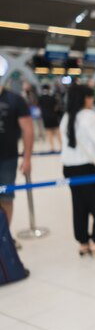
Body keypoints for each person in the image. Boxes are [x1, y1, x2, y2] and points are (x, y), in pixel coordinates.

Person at [60, 85, 95, 257]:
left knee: (79, 205)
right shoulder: (89, 116)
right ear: (84, 98)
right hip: (88, 168)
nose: (92, 100)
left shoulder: (66, 117)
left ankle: (83, 242)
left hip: (69, 167)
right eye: (90, 97)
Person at [0, 84, 33, 233]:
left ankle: (4, 236)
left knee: (6, 198)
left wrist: (27, 159)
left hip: (7, 159)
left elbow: (28, 130)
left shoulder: (15, 100)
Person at [38, 84, 62, 152]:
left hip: (45, 117)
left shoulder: (40, 98)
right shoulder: (52, 97)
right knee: (57, 131)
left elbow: (39, 107)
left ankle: (52, 147)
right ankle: (62, 145)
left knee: (48, 132)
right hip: (53, 116)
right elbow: (56, 107)